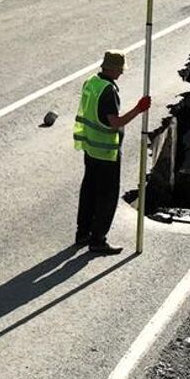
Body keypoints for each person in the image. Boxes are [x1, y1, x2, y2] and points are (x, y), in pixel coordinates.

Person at [73, 51, 152, 255]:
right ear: (113, 68)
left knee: (89, 190)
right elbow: (114, 122)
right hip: (106, 152)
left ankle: (83, 233)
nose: (121, 73)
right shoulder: (108, 90)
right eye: (120, 69)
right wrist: (139, 109)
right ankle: (98, 239)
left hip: (90, 147)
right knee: (107, 196)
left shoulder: (92, 82)